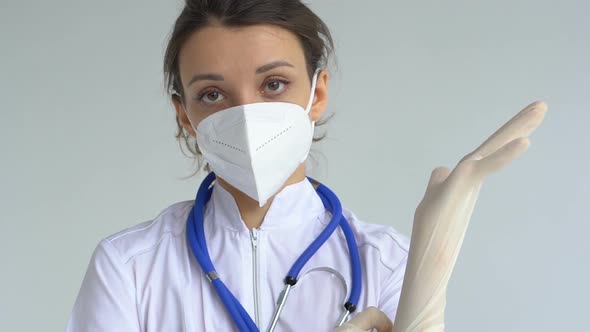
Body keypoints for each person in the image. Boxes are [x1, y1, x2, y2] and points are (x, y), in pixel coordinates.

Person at [66, 0, 547, 331]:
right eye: (213, 94)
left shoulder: (386, 262)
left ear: (316, 93)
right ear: (184, 114)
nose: (247, 115)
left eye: (273, 84)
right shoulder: (130, 269)